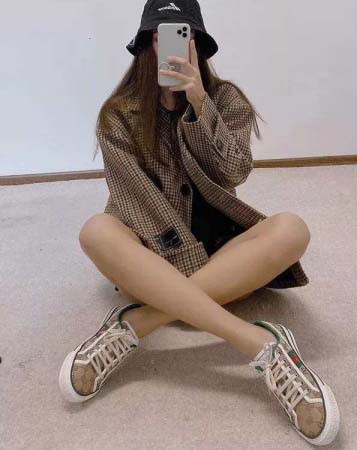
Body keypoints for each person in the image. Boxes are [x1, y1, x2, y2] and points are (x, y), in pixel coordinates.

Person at [58, 0, 340, 445]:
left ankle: (138, 323)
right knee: (96, 231)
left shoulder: (225, 100)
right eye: (159, 36)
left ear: (197, 45)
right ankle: (260, 344)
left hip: (217, 253)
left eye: (181, 35)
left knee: (293, 229)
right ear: (145, 45)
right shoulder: (118, 114)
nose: (168, 46)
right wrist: (187, 268)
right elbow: (135, 199)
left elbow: (234, 171)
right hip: (152, 253)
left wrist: (200, 104)